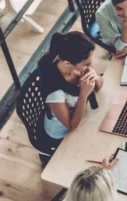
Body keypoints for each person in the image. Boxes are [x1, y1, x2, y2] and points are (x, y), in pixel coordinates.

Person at [37, 32, 103, 165]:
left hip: (81, 116)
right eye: (87, 64)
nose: (90, 67)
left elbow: (99, 86)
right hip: (61, 135)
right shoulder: (54, 90)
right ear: (67, 63)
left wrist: (94, 76)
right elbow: (71, 125)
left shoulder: (77, 65)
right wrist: (84, 94)